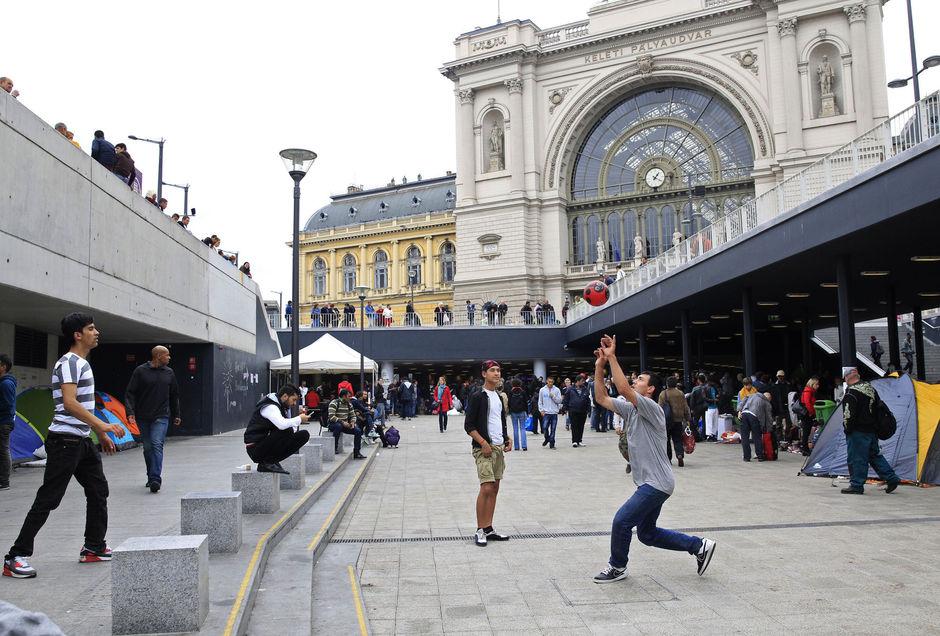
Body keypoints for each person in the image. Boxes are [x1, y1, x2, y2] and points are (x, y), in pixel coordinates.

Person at [3, 313, 125, 579]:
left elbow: (81, 405)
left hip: (81, 440)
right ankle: (16, 556)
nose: (97, 332)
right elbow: (69, 403)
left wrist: (97, 433)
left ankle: (93, 547)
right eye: (91, 329)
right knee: (49, 497)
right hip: (65, 441)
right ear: (77, 335)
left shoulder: (81, 363)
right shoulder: (70, 362)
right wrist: (103, 426)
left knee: (98, 491)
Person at [591, 335, 716, 583]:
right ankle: (699, 546)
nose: (635, 381)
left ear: (650, 389)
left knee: (622, 521)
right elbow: (601, 398)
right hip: (651, 482)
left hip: (656, 483)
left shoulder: (651, 407)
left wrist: (612, 357)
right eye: (636, 378)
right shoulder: (630, 409)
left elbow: (623, 390)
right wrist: (599, 367)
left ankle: (617, 567)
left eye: (640, 380)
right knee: (647, 534)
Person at [464, 360, 512, 547]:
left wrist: (507, 437)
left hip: (499, 448)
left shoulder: (499, 397)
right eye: (492, 370)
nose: (496, 373)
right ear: (484, 374)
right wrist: (483, 443)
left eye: (498, 370)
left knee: (495, 489)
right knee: (486, 488)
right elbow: (469, 425)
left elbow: (498, 421)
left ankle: (489, 527)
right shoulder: (478, 396)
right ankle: (479, 529)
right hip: (483, 449)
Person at [124, 346, 180, 493]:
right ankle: (151, 476)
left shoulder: (169, 373)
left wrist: (177, 414)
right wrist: (130, 412)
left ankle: (155, 479)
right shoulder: (140, 371)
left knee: (156, 444)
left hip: (161, 416)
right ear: (159, 356)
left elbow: (174, 395)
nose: (169, 358)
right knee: (148, 448)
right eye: (167, 355)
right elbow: (130, 393)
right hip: (143, 416)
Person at [840, 366, 900, 495]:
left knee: (857, 458)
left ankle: (856, 485)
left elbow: (848, 414)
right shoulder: (870, 389)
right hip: (872, 430)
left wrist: (847, 429)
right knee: (875, 456)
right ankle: (891, 478)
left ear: (848, 377)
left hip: (857, 431)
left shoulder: (851, 393)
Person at [244, 384, 311, 473]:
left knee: (303, 435)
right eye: (293, 400)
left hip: (263, 445)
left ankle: (271, 461)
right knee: (286, 429)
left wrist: (296, 421)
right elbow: (282, 425)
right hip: (255, 448)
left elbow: (289, 429)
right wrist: (299, 419)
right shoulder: (270, 407)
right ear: (285, 396)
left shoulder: (280, 405)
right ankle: (266, 462)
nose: (294, 404)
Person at [658, 376, 690, 466]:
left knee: (667, 440)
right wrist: (687, 418)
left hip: (666, 421)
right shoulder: (680, 393)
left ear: (667, 384)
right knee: (677, 439)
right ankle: (679, 455)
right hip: (678, 420)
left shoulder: (663, 394)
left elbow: (659, 408)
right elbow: (686, 407)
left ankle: (668, 459)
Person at [327, 389, 365, 459]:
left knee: (358, 431)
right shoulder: (334, 403)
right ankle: (334, 447)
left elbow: (353, 415)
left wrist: (353, 422)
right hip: (334, 424)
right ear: (344, 396)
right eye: (349, 396)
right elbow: (331, 416)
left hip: (345, 424)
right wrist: (342, 422)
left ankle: (357, 452)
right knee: (338, 426)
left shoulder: (349, 404)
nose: (350, 398)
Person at [738, 391, 772, 462]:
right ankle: (760, 456)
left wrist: (739, 410)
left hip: (744, 414)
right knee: (757, 437)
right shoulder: (766, 402)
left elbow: (744, 399)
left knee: (744, 437)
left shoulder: (752, 395)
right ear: (769, 398)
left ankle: (746, 457)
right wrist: (769, 429)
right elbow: (768, 417)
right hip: (754, 416)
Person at [563, 374, 591, 448]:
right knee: (574, 425)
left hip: (583, 410)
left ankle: (579, 440)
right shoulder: (570, 389)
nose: (583, 382)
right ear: (577, 381)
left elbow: (588, 400)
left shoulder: (585, 389)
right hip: (573, 410)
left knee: (581, 426)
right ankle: (574, 441)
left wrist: (589, 409)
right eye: (582, 381)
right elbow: (566, 399)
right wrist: (564, 408)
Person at [0, 354, 15, 491]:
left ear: (3, 367)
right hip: (3, 421)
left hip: (4, 422)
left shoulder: (6, 384)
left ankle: (4, 481)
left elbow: (8, 404)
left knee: (3, 450)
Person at [538, 376, 563, 449]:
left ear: (553, 382)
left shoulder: (557, 390)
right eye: (549, 381)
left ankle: (552, 444)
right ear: (546, 381)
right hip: (546, 412)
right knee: (545, 427)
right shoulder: (542, 390)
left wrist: (553, 396)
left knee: (553, 429)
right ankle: (547, 438)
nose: (550, 383)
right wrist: (541, 410)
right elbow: (540, 401)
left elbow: (559, 401)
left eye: (552, 382)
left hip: (554, 413)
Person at [507, 378, 529, 452]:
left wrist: (510, 411)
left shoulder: (510, 392)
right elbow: (526, 402)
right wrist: (527, 412)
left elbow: (509, 403)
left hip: (513, 412)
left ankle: (516, 447)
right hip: (522, 411)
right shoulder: (523, 392)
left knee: (515, 429)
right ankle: (524, 446)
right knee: (522, 428)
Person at [769, 370, 792, 440]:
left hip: (786, 406)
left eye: (781, 376)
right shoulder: (774, 386)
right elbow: (773, 398)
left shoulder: (788, 385)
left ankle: (787, 439)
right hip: (778, 408)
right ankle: (779, 440)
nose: (780, 377)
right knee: (778, 425)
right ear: (777, 377)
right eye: (779, 376)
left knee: (788, 424)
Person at [799, 377, 819, 456]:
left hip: (808, 414)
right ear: (812, 384)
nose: (818, 386)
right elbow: (807, 403)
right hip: (807, 414)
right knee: (806, 432)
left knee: (806, 432)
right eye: (816, 384)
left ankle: (805, 448)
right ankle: (805, 449)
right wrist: (811, 412)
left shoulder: (810, 391)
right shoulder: (808, 391)